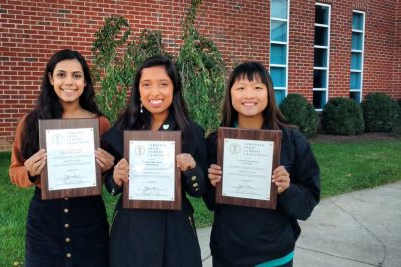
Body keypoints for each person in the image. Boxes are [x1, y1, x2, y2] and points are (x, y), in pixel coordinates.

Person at [204, 61, 320, 267]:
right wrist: (212, 184)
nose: (249, 95)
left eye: (257, 87)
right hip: (228, 253)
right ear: (230, 94)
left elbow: (306, 204)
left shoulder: (292, 141)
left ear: (269, 93)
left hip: (274, 255)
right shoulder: (216, 142)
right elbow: (211, 203)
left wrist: (286, 189)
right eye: (240, 88)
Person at [9, 49, 114, 267]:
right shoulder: (30, 123)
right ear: (50, 79)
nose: (69, 82)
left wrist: (106, 169)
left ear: (85, 82)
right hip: (45, 222)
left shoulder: (101, 124)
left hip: (89, 221)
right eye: (61, 75)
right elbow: (14, 171)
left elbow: (109, 177)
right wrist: (29, 172)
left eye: (77, 76)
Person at [101, 55, 207, 267]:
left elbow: (199, 190)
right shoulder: (124, 128)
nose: (155, 92)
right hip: (131, 231)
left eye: (163, 84)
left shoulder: (190, 131)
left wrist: (192, 169)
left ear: (174, 89)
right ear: (138, 90)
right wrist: (116, 179)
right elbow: (111, 187)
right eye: (146, 84)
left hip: (176, 233)